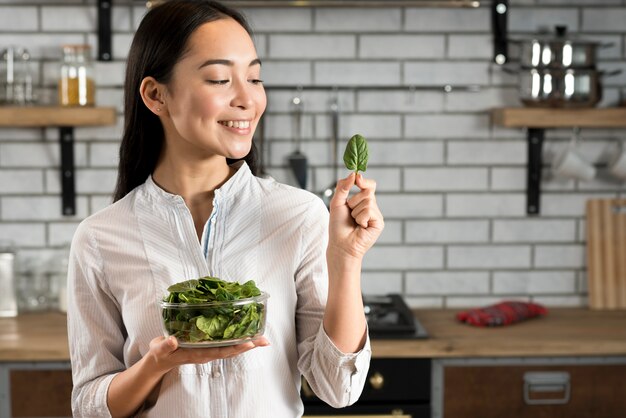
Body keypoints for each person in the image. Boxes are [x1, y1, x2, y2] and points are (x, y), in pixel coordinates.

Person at [66, 1, 384, 417]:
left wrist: (346, 261)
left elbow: (338, 387)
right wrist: (155, 366)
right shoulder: (101, 238)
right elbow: (88, 405)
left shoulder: (298, 215)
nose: (247, 98)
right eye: (219, 79)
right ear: (155, 95)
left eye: (254, 77)